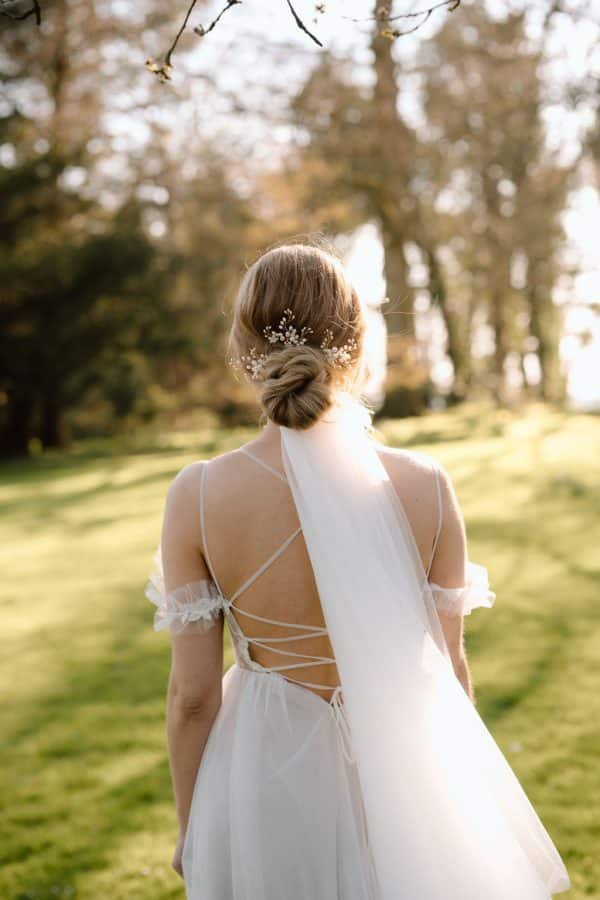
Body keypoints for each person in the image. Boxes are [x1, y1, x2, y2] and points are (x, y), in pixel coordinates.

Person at [146, 243, 570, 899]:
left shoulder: (199, 496)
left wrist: (191, 826)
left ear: (244, 344)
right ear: (357, 341)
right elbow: (450, 669)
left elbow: (194, 697)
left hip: (265, 777)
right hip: (401, 775)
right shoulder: (426, 486)